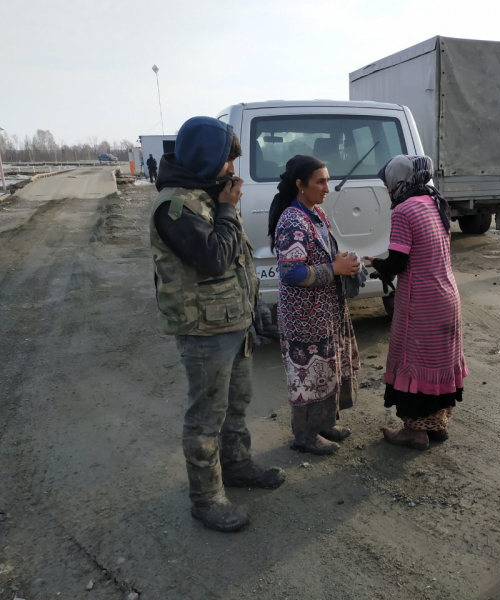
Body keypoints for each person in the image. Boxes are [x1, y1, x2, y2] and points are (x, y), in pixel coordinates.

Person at [150, 116, 285, 533]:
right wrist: (228, 209)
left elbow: (240, 259)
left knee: (237, 403)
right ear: (208, 158)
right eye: (228, 160)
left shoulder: (207, 197)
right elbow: (214, 257)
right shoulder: (176, 206)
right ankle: (206, 498)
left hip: (232, 321)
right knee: (206, 416)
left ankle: (238, 465)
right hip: (204, 330)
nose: (233, 170)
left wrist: (256, 307)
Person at [364, 155, 468, 451]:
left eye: (387, 184)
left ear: (398, 181)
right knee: (438, 363)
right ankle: (437, 425)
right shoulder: (436, 202)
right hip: (447, 295)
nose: (387, 189)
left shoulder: (404, 210)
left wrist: (376, 266)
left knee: (414, 364)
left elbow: (398, 262)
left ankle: (414, 432)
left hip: (421, 301)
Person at [270, 155, 361, 456]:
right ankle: (304, 436)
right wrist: (334, 269)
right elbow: (292, 272)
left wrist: (344, 263)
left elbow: (322, 256)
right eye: (320, 181)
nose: (327, 187)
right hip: (304, 316)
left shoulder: (315, 213)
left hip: (324, 312)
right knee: (307, 375)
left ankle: (323, 424)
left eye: (327, 180)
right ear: (300, 185)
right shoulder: (293, 221)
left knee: (326, 369)